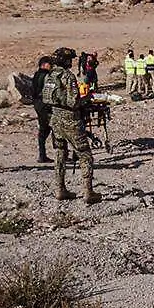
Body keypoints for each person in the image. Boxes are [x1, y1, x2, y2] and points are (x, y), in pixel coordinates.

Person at [41, 47, 100, 204]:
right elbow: (73, 101)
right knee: (84, 153)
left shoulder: (50, 76)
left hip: (55, 119)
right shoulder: (67, 76)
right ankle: (88, 192)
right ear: (66, 61)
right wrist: (86, 98)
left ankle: (60, 189)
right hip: (70, 119)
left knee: (60, 152)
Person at [32, 55, 56, 164]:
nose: (52, 67)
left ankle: (43, 155)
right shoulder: (46, 76)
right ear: (44, 64)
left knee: (44, 129)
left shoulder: (37, 74)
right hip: (44, 105)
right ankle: (44, 155)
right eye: (50, 64)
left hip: (38, 104)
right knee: (49, 128)